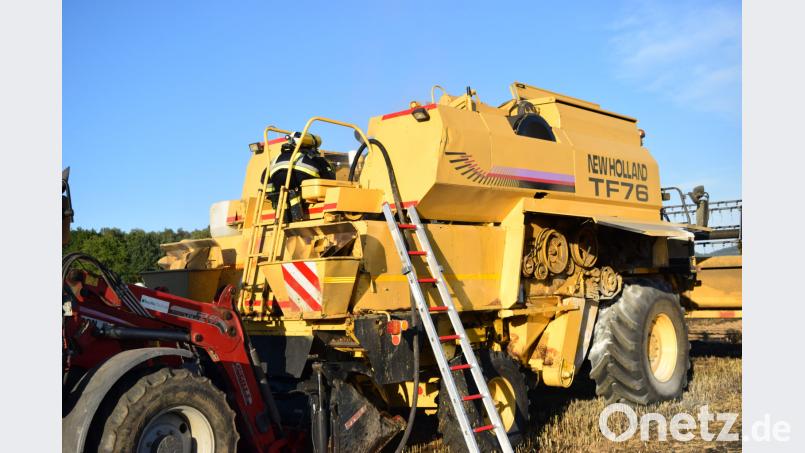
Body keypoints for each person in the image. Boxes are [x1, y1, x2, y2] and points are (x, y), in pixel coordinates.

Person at [264, 132, 335, 221]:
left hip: (277, 179)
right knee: (295, 191)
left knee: (285, 193)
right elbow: (329, 176)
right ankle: (296, 215)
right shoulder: (313, 157)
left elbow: (264, 178)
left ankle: (283, 215)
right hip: (299, 178)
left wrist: (272, 195)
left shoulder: (276, 158)